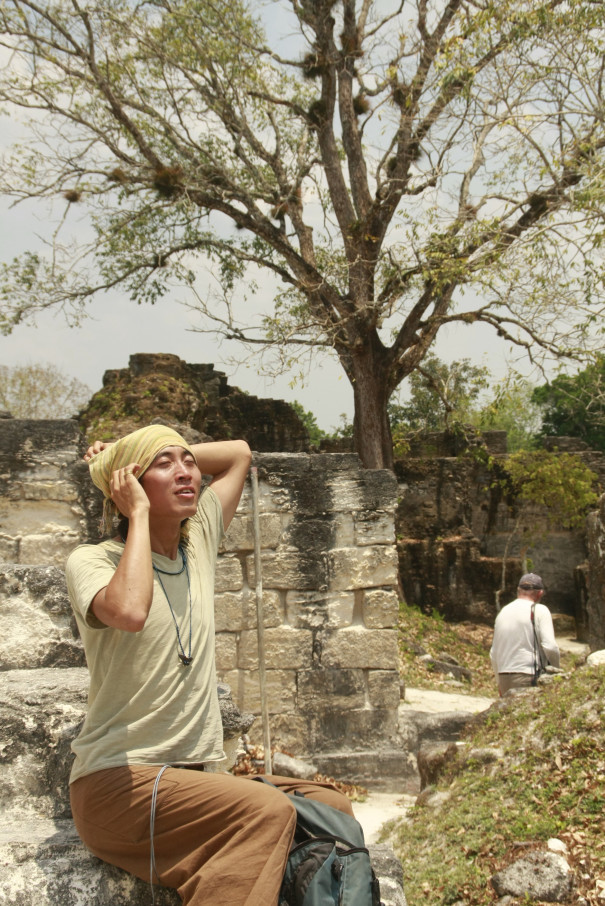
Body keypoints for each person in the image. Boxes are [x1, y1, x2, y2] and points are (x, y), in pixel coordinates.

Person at [65, 424, 355, 906]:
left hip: (196, 780)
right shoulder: (91, 561)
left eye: (189, 462)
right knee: (265, 811)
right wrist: (136, 507)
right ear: (132, 485)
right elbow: (131, 612)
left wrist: (126, 455)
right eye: (165, 464)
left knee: (331, 806)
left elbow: (239, 453)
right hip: (117, 785)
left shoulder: (195, 543)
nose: (187, 473)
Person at [490, 572, 560, 696]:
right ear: (540, 593)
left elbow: (493, 653)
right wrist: (557, 671)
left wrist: (499, 682)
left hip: (504, 676)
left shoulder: (503, 612)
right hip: (528, 676)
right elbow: (550, 646)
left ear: (518, 590)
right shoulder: (540, 610)